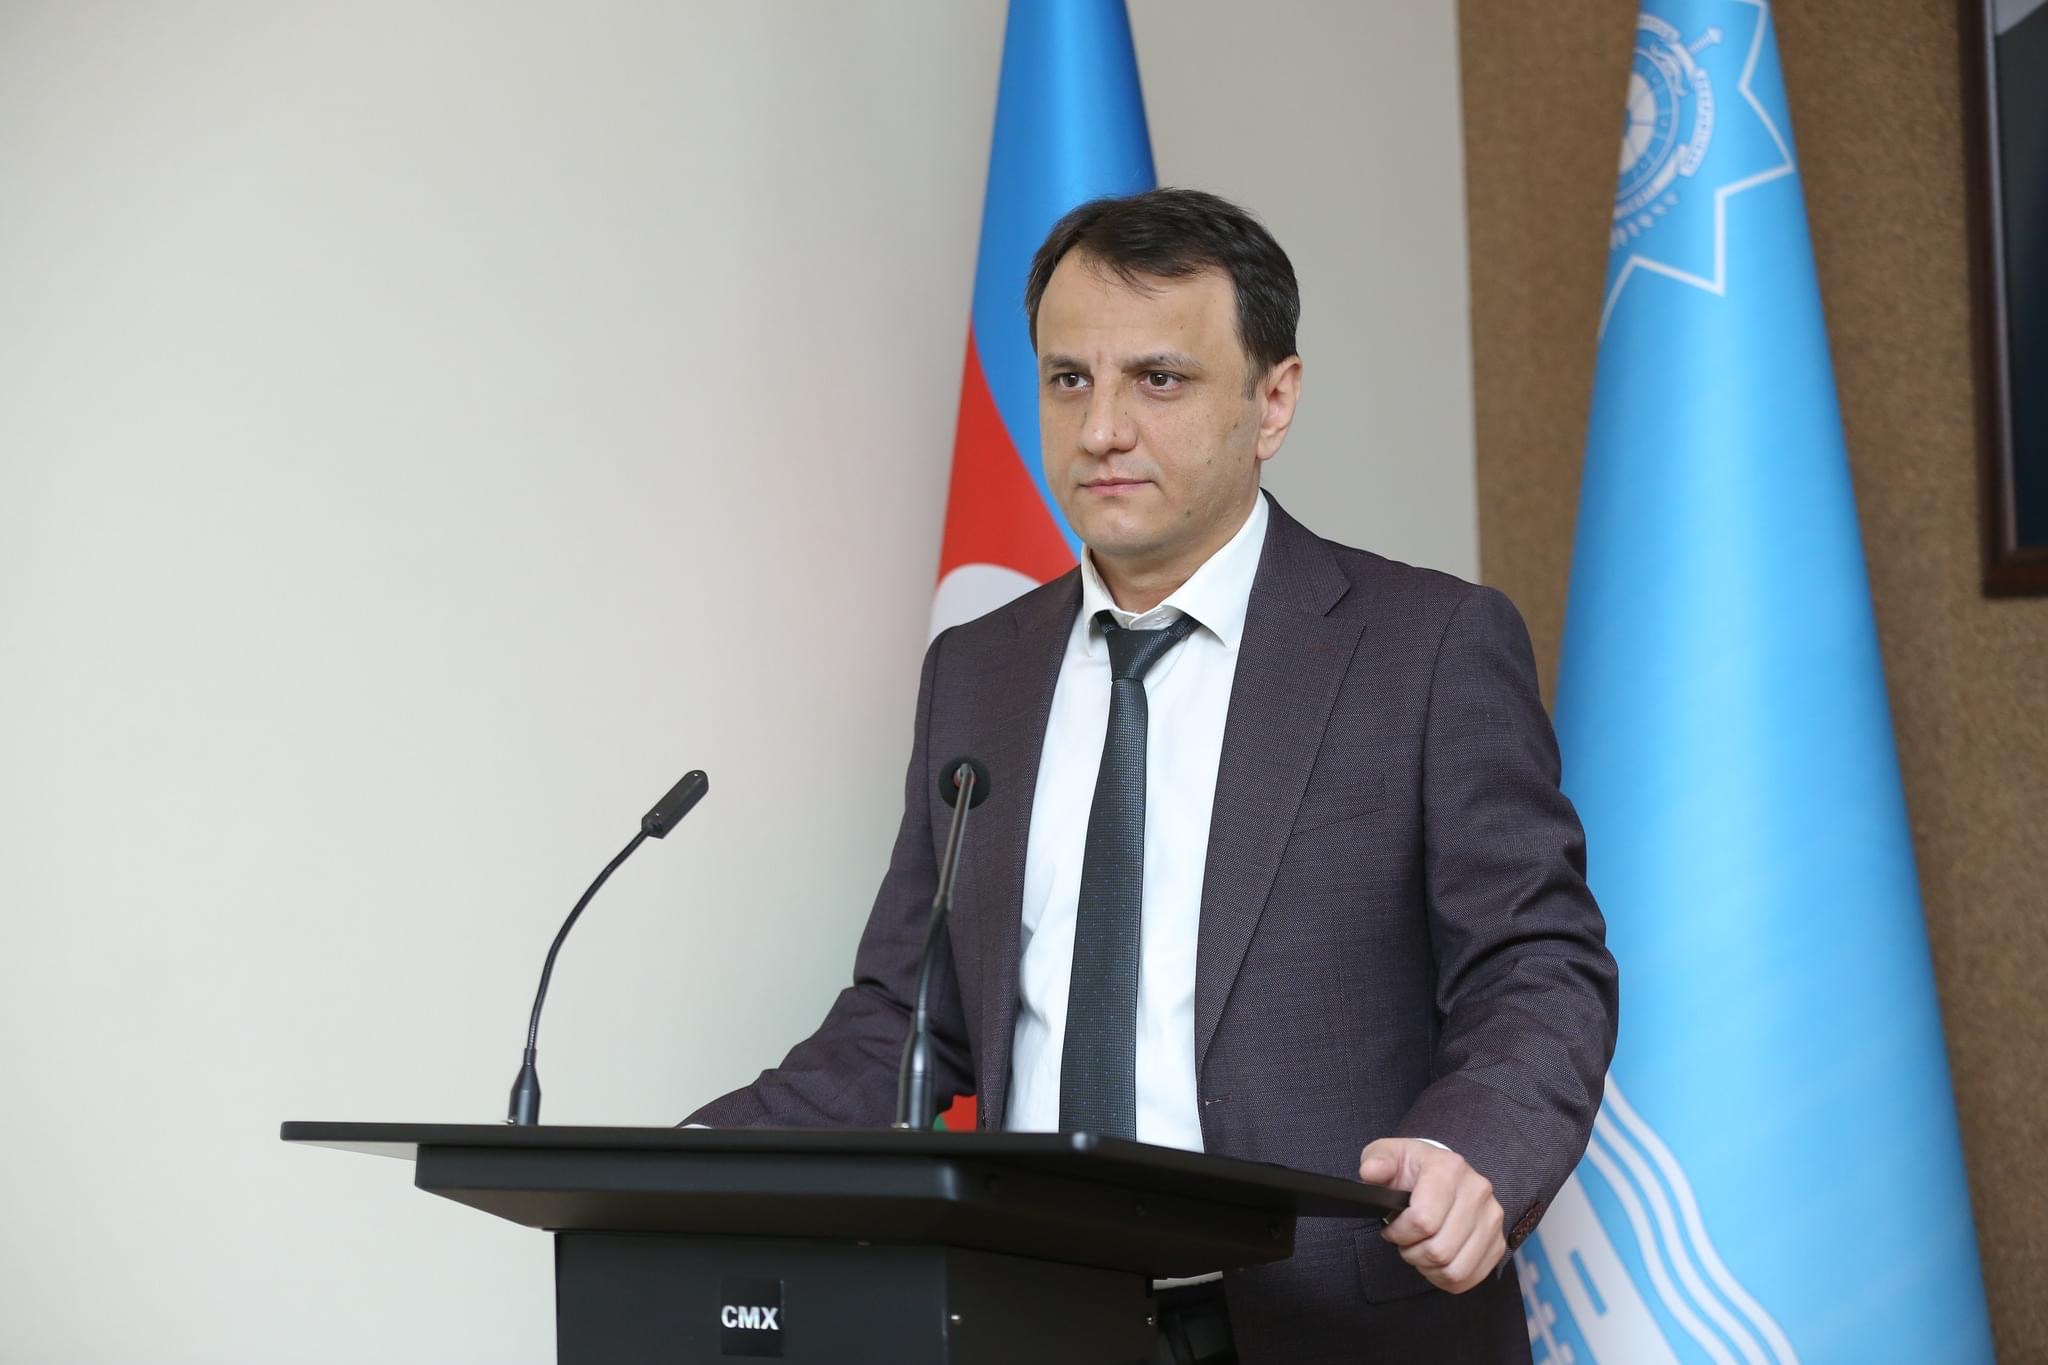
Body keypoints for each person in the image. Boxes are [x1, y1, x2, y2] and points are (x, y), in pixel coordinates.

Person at [687, 188, 1618, 1364]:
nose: (1101, 429)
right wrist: (693, 1161)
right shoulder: (977, 672)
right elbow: (908, 1021)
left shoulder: (1422, 646)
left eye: (1158, 380)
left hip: (1327, 1320)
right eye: (1068, 379)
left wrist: (1467, 1147)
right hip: (1028, 1319)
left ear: (1271, 400)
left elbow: (1535, 963)